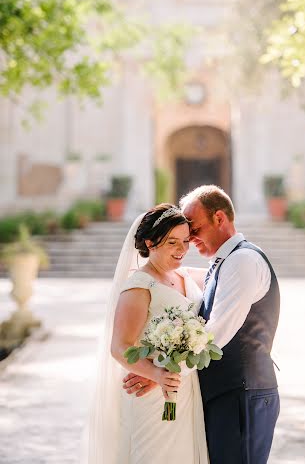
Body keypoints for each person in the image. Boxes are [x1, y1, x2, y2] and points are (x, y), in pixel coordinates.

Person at [124, 185, 281, 464]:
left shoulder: (242, 261)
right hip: (227, 394)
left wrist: (161, 374)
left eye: (193, 228)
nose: (189, 239)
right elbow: (173, 277)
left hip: (242, 393)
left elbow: (216, 334)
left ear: (219, 218)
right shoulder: (224, 263)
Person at [85, 204, 208, 464]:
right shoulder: (139, 286)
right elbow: (119, 346)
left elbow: (222, 273)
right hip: (153, 396)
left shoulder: (184, 275)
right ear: (150, 243)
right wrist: (157, 375)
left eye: (185, 241)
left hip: (185, 390)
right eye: (172, 242)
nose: (182, 250)